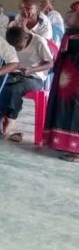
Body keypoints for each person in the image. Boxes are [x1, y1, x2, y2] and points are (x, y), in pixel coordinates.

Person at [0, 27, 53, 142]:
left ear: (26, 38)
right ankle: (1, 116)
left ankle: (11, 118)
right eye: (13, 47)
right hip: (15, 73)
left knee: (16, 89)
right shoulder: (11, 42)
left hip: (35, 76)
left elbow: (50, 63)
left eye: (18, 46)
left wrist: (31, 70)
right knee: (0, 86)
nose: (16, 49)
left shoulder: (39, 42)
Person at [43, 27, 79, 162]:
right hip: (67, 79)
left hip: (74, 79)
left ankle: (77, 151)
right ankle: (64, 143)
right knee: (64, 110)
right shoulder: (71, 32)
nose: (73, 17)